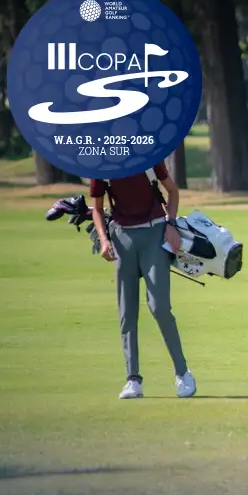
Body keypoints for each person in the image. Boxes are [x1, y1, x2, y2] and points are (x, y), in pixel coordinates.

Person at [91, 162, 196, 399]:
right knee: (127, 312)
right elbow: (97, 208)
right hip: (121, 238)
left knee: (159, 306)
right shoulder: (102, 164)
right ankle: (133, 380)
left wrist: (171, 224)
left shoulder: (148, 156)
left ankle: (182, 373)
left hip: (154, 233)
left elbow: (173, 191)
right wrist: (104, 240)